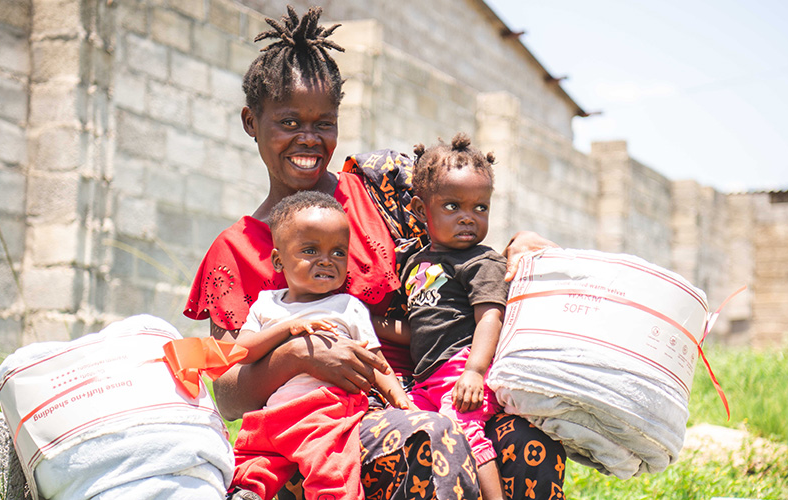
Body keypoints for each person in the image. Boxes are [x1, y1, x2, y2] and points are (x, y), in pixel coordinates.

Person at [184, 6, 568, 499]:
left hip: (429, 386)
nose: (308, 138)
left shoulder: (381, 188)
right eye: (288, 122)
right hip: (319, 423)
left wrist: (518, 245)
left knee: (524, 437)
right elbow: (230, 394)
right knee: (429, 437)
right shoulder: (235, 252)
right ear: (250, 122)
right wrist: (302, 357)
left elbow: (460, 230)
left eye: (323, 123)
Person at [229, 191, 410, 499]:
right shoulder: (266, 305)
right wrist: (287, 330)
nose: (326, 261)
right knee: (251, 459)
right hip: (275, 412)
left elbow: (376, 361)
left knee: (330, 468)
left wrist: (399, 398)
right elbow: (242, 352)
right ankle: (247, 491)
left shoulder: (347, 307)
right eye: (311, 250)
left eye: (338, 252)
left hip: (326, 413)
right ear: (278, 260)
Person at [402, 134, 507, 500]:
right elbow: (421, 321)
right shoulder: (415, 262)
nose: (468, 218)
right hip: (426, 378)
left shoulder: (482, 261)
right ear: (420, 210)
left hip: (462, 369)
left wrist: (475, 371)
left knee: (465, 431)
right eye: (452, 206)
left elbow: (490, 317)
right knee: (410, 431)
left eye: (480, 208)